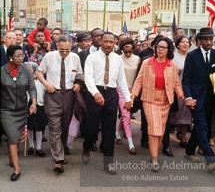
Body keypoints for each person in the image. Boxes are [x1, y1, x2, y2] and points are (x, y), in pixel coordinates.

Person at [131, 37, 184, 172]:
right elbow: (139, 81)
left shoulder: (172, 65)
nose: (160, 49)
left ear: (168, 50)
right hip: (149, 99)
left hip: (165, 100)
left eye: (163, 47)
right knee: (154, 128)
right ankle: (154, 158)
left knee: (160, 131)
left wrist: (183, 96)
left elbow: (176, 83)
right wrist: (132, 97)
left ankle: (154, 153)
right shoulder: (147, 63)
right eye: (158, 47)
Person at [82, 32, 131, 175]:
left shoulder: (118, 59)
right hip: (94, 93)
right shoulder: (92, 58)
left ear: (115, 42)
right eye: (106, 41)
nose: (109, 44)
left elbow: (121, 80)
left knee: (110, 130)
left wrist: (127, 98)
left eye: (111, 42)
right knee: (91, 128)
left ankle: (108, 162)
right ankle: (87, 146)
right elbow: (88, 78)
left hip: (111, 94)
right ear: (100, 42)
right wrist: (95, 93)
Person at [36, 35, 83, 173]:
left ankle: (60, 151)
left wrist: (78, 84)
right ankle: (59, 159)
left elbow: (80, 74)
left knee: (64, 126)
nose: (64, 53)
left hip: (69, 96)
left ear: (71, 47)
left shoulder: (75, 58)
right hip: (53, 95)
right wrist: (46, 84)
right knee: (55, 127)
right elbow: (39, 72)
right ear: (57, 46)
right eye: (61, 50)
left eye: (67, 50)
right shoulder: (49, 57)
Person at [182, 27, 215, 172]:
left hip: (211, 98)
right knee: (202, 127)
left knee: (202, 127)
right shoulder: (192, 56)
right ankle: (211, 160)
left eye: (210, 39)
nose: (209, 42)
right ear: (199, 41)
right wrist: (189, 97)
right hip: (196, 99)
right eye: (206, 39)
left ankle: (189, 151)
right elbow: (186, 80)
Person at [1, 45, 37, 181]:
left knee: (14, 139)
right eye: (18, 56)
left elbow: (32, 88)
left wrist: (33, 103)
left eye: (22, 55)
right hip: (6, 111)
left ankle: (12, 157)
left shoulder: (26, 71)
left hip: (22, 110)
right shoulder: (2, 72)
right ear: (10, 58)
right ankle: (17, 169)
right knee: (12, 137)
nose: (21, 58)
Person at [115, 37, 140, 154]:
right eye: (126, 51)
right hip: (120, 89)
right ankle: (130, 143)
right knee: (126, 115)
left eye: (130, 51)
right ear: (122, 50)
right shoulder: (118, 59)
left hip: (132, 90)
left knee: (127, 113)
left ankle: (117, 133)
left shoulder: (138, 59)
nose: (128, 54)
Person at [170, 36, 192, 148]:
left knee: (185, 115)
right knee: (171, 115)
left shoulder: (191, 56)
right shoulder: (173, 57)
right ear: (178, 44)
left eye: (187, 42)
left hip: (187, 90)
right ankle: (165, 141)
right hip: (173, 89)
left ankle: (183, 139)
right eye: (182, 42)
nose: (185, 44)